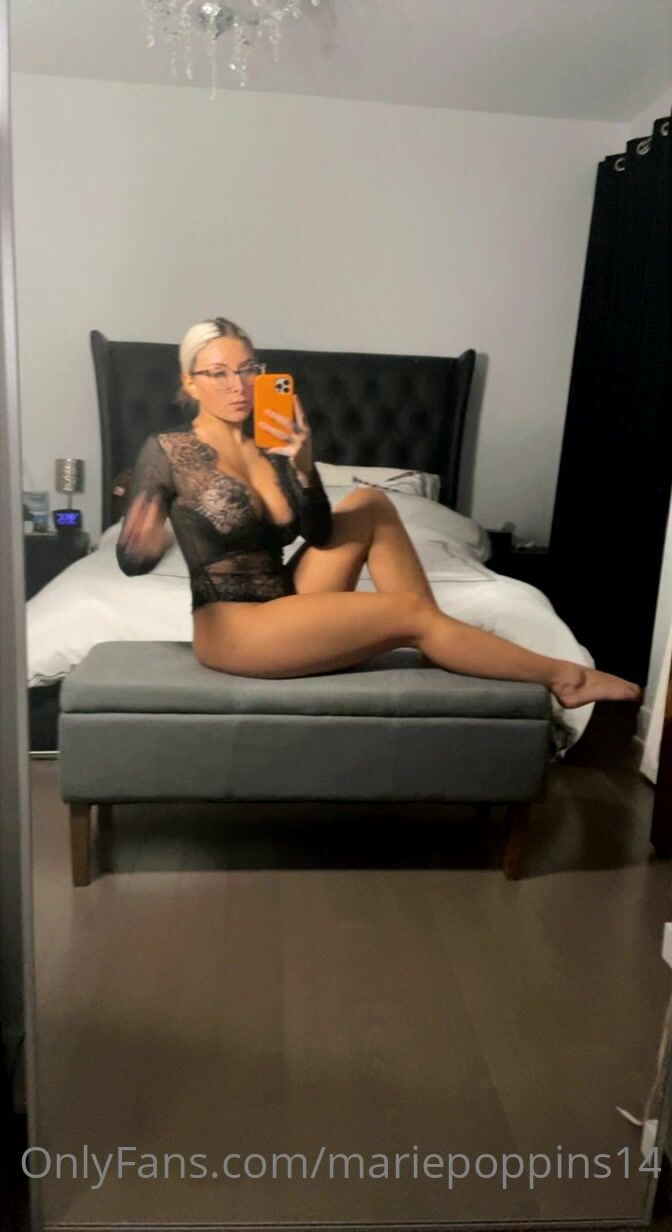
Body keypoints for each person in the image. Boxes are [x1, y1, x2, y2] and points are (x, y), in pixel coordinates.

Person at [116, 316, 642, 711]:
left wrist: (303, 465)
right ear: (191, 383)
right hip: (233, 629)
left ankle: (435, 639)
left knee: (370, 502)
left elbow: (319, 534)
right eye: (218, 373)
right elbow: (132, 563)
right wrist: (148, 534)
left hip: (286, 602)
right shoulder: (166, 450)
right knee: (404, 611)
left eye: (248, 370)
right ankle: (564, 677)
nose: (237, 386)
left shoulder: (272, 449)